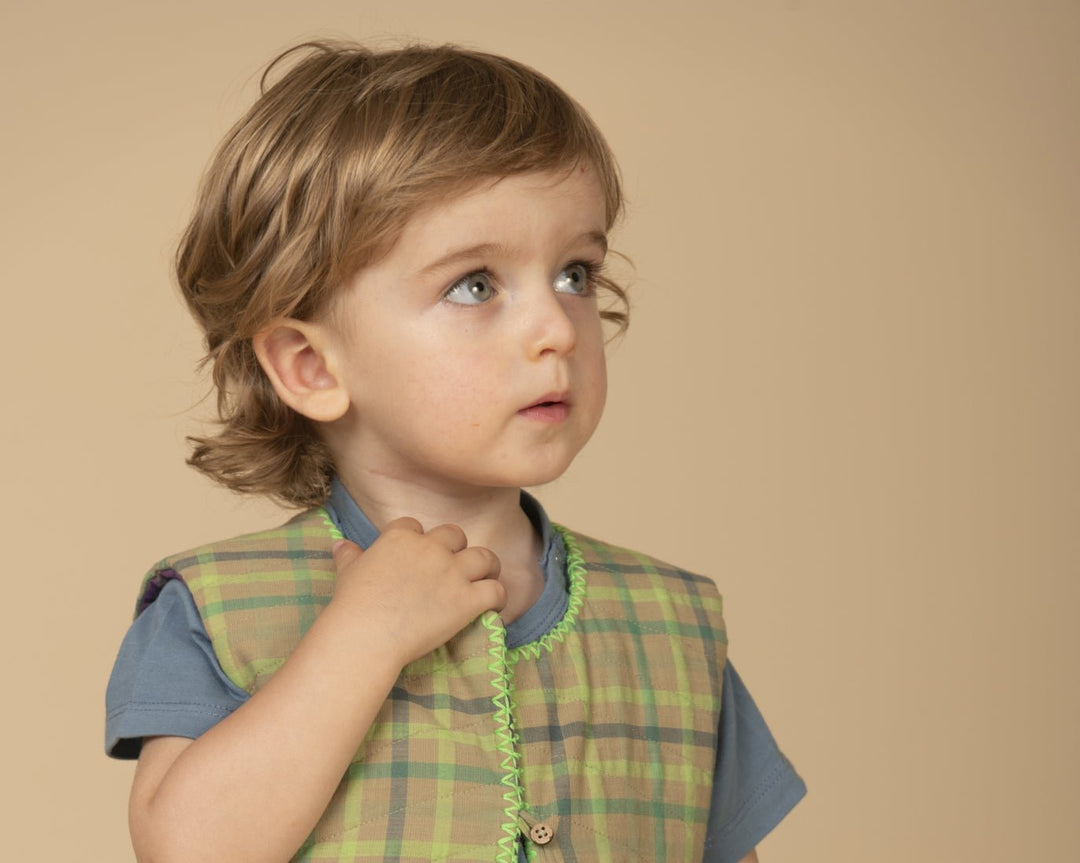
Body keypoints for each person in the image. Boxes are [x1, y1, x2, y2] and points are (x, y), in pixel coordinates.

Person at [105, 41, 805, 863]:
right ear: (311, 365)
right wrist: (360, 638)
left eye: (576, 273)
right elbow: (188, 851)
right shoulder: (219, 611)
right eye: (475, 284)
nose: (555, 328)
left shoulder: (673, 626)